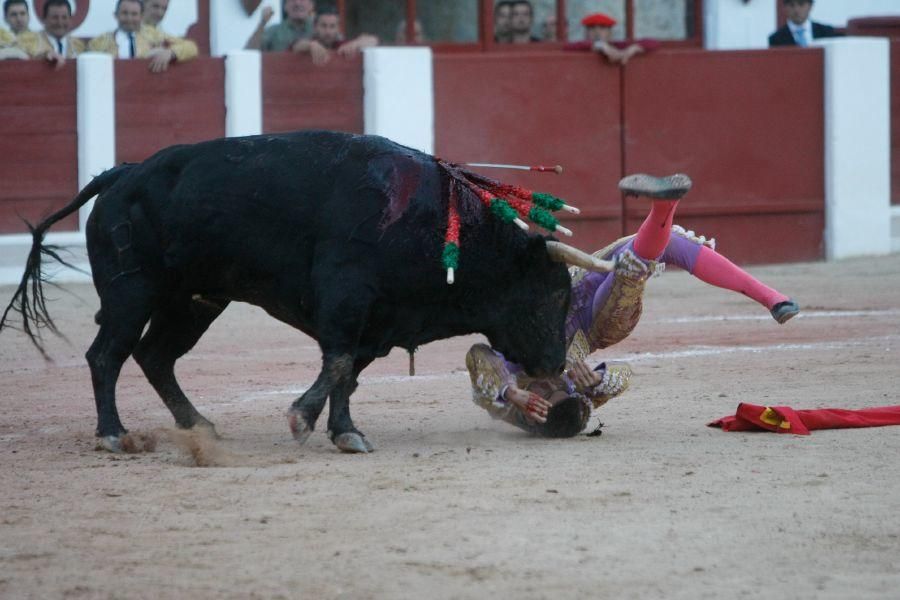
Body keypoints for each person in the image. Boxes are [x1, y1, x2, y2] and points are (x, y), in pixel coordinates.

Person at [466, 173, 800, 437]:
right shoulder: (576, 395)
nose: (552, 384)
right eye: (558, 391)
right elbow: (625, 377)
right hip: (595, 321)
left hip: (567, 289)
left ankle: (771, 299)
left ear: (533, 409)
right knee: (633, 266)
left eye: (544, 391)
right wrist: (596, 383)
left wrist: (511, 393)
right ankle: (664, 206)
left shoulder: (510, 393)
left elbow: (478, 355)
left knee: (662, 244)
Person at [89, 0, 192, 73]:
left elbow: (191, 47)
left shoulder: (155, 35)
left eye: (134, 14)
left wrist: (171, 53)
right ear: (116, 15)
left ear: (141, 16)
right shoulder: (99, 42)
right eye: (125, 13)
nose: (129, 18)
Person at [563, 12, 659, 64]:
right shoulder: (582, 46)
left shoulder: (616, 45)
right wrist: (600, 46)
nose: (597, 32)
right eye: (592, 28)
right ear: (586, 32)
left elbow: (653, 43)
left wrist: (633, 49)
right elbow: (567, 47)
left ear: (610, 33)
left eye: (602, 27)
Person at [295, 8, 377, 65]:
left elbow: (373, 40)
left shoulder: (341, 44)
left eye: (332, 26)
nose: (328, 31)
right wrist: (311, 45)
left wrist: (355, 44)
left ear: (338, 28)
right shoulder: (310, 41)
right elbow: (297, 46)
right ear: (315, 27)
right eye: (324, 26)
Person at [17, 0, 84, 69]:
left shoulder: (79, 46)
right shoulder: (27, 42)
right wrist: (43, 56)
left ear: (70, 19)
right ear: (44, 19)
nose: (60, 23)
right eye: (55, 18)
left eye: (64, 17)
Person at [246, 0, 314, 52]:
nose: (297, 3)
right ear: (285, 6)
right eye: (292, 0)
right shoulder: (274, 31)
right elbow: (249, 52)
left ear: (311, 5)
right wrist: (262, 23)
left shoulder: (318, 28)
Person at [769, 0, 842, 47]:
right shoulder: (776, 39)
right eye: (792, 5)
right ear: (785, 8)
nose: (796, 10)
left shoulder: (826, 32)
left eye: (801, 4)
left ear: (810, 6)